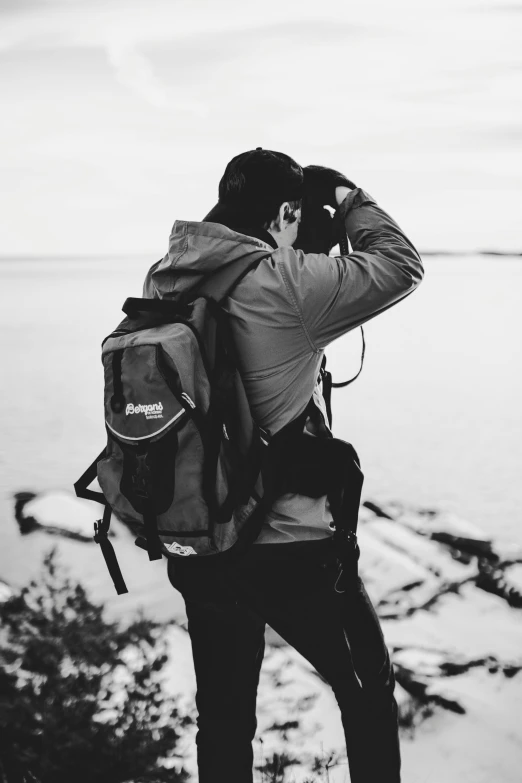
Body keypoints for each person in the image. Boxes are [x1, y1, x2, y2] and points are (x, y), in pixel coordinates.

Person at [142, 149, 424, 783]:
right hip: (291, 549)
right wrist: (350, 200)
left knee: (221, 718)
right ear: (288, 211)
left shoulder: (167, 277)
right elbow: (401, 265)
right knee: (368, 693)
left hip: (202, 540)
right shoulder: (285, 282)